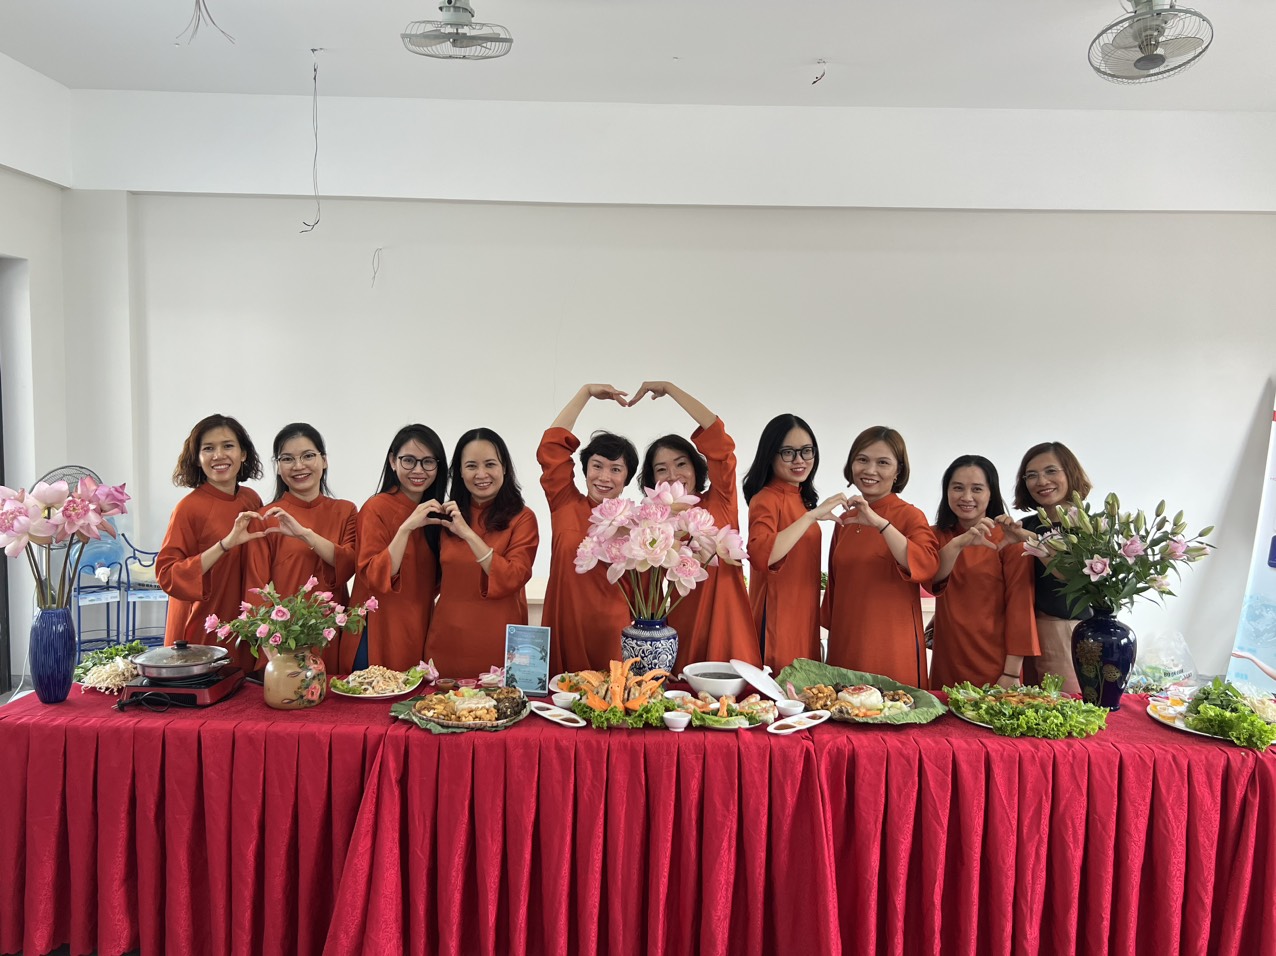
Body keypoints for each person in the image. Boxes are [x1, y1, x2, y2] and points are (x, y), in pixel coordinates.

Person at [634, 381, 760, 670]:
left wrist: (670, 389)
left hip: (729, 625)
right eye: (661, 469)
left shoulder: (721, 500)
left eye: (681, 464)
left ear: (695, 467)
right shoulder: (652, 524)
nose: (673, 475)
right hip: (683, 629)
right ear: (652, 480)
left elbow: (719, 440)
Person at [820, 426, 938, 688]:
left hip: (892, 646)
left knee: (892, 708)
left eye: (883, 462)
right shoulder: (846, 519)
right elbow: (835, 587)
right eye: (862, 460)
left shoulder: (910, 516)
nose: (870, 470)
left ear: (898, 471)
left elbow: (927, 565)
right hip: (846, 641)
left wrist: (881, 524)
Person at [538, 384, 639, 673]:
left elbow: (645, 593)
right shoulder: (565, 503)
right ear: (585, 470)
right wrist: (585, 393)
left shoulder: (638, 524)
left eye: (615, 469)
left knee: (611, 697)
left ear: (626, 478)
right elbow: (551, 448)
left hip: (614, 634)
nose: (604, 477)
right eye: (597, 466)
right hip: (564, 626)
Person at [156, 413, 267, 673]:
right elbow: (167, 575)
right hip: (203, 627)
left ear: (243, 454)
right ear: (197, 458)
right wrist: (225, 544)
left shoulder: (251, 499)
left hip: (245, 624)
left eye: (228, 446)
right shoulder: (188, 508)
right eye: (208, 448)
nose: (219, 455)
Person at [425, 428, 539, 677]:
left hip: (500, 642)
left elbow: (513, 576)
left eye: (490, 464)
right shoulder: (445, 517)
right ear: (459, 472)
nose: (481, 474)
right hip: (446, 642)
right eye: (471, 466)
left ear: (504, 467)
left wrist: (468, 534)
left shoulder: (523, 518)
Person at [742, 413, 845, 672]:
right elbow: (762, 554)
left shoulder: (801, 499)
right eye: (788, 452)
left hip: (804, 614)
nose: (800, 460)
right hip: (777, 619)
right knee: (781, 687)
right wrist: (812, 516)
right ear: (770, 455)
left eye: (806, 451)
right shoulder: (765, 499)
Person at [253, 423, 357, 674]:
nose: (299, 466)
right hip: (283, 642)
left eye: (308, 456)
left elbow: (349, 564)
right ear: (278, 467)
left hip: (331, 633)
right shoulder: (265, 518)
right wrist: (272, 650)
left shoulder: (345, 511)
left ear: (324, 460)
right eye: (288, 459)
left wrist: (304, 534)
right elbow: (256, 587)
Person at [927, 455, 1038, 690]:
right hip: (947, 658)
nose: (966, 497)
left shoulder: (1008, 538)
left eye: (977, 489)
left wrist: (1011, 672)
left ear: (991, 494)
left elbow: (1020, 607)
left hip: (995, 664)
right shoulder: (935, 536)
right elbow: (931, 580)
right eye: (958, 488)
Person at [348, 425, 449, 673]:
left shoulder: (436, 512)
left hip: (420, 625)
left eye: (428, 462)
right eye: (409, 460)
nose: (418, 470)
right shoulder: (376, 508)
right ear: (393, 461)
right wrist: (406, 528)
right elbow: (374, 574)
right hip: (379, 628)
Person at [996, 441, 1092, 694]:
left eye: (1051, 471)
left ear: (1070, 473)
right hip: (1023, 635)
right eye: (1031, 475)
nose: (1041, 481)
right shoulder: (1026, 524)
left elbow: (1068, 574)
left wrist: (1027, 538)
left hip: (1065, 632)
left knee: (1064, 707)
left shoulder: (1088, 527)